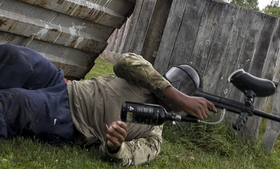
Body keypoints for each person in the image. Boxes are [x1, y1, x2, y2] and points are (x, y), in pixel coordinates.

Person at [0, 44, 216, 166]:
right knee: (16, 56)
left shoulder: (154, 136)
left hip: (70, 117)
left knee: (14, 102)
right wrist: (174, 93)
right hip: (64, 85)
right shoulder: (147, 77)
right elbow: (124, 61)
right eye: (176, 78)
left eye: (184, 87)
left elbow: (127, 156)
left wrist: (116, 145)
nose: (178, 84)